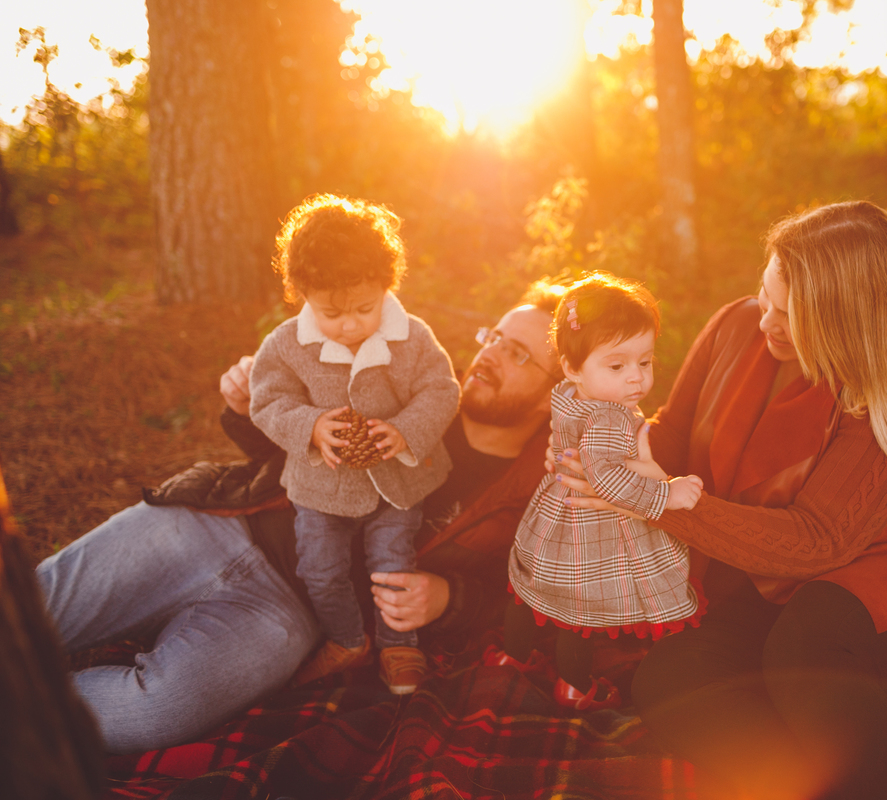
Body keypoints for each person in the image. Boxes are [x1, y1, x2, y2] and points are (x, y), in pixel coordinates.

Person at [36, 279, 565, 754]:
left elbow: (520, 597)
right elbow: (276, 445)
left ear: (554, 396)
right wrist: (249, 405)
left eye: (517, 352)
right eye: (493, 337)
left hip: (287, 615)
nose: (490, 354)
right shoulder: (412, 382)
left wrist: (450, 598)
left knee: (155, 710)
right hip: (223, 522)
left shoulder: (536, 494)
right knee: (29, 606)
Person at [557, 202, 887, 799]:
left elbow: (816, 543)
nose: (764, 318)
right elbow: (670, 434)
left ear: (845, 319)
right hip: (748, 584)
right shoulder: (736, 325)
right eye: (765, 294)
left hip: (867, 592)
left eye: (788, 314)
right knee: (672, 680)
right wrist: (600, 453)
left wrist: (659, 502)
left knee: (801, 652)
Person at [248, 195, 459, 693]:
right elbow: (268, 400)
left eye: (365, 309)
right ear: (302, 293)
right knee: (318, 569)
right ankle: (347, 639)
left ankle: (399, 644)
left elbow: (441, 389)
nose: (349, 325)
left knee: (392, 562)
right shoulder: (284, 345)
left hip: (397, 479)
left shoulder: (411, 336)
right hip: (321, 487)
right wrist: (311, 427)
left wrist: (406, 428)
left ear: (387, 286)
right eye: (332, 313)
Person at [502, 273, 704, 710]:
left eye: (645, 362)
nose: (636, 378)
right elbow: (607, 479)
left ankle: (511, 655)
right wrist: (666, 494)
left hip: (556, 513)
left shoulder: (569, 393)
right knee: (580, 611)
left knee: (530, 588)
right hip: (592, 530)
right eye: (617, 366)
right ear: (573, 366)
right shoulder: (611, 417)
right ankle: (574, 686)